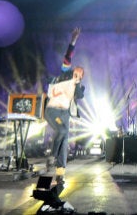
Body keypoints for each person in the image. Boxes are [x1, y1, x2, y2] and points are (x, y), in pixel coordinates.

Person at [44, 28, 85, 184]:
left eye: (80, 74)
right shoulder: (64, 75)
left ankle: (60, 174)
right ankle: (51, 157)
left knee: (64, 141)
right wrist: (73, 41)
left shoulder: (79, 87)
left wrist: (78, 83)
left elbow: (80, 96)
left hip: (65, 114)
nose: (77, 73)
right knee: (62, 131)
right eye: (76, 71)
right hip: (53, 110)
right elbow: (68, 57)